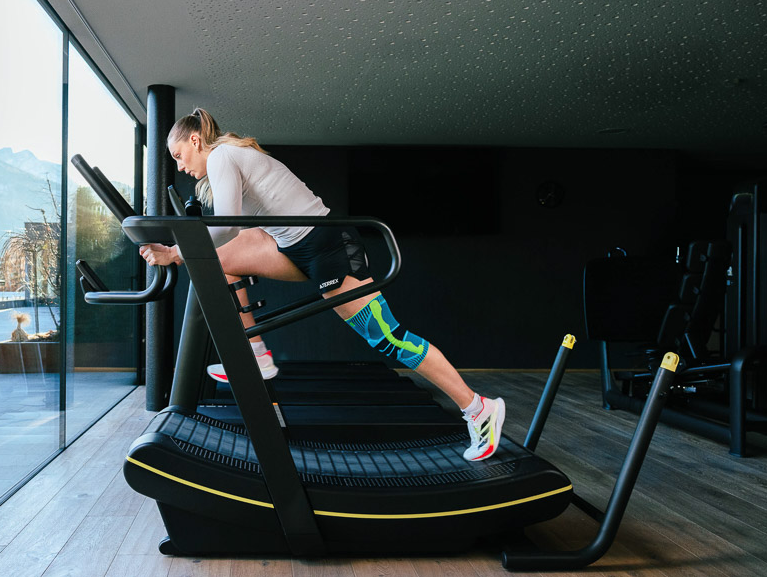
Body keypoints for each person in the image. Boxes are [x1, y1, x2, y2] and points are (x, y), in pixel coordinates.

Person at [139, 108, 505, 461]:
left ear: (195, 139)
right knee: (219, 261)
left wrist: (174, 252)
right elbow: (226, 233)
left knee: (388, 337)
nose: (181, 167)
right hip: (289, 245)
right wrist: (179, 249)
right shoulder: (225, 161)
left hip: (326, 246)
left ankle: (478, 408)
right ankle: (256, 353)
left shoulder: (222, 156)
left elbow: (226, 227)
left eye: (179, 155)